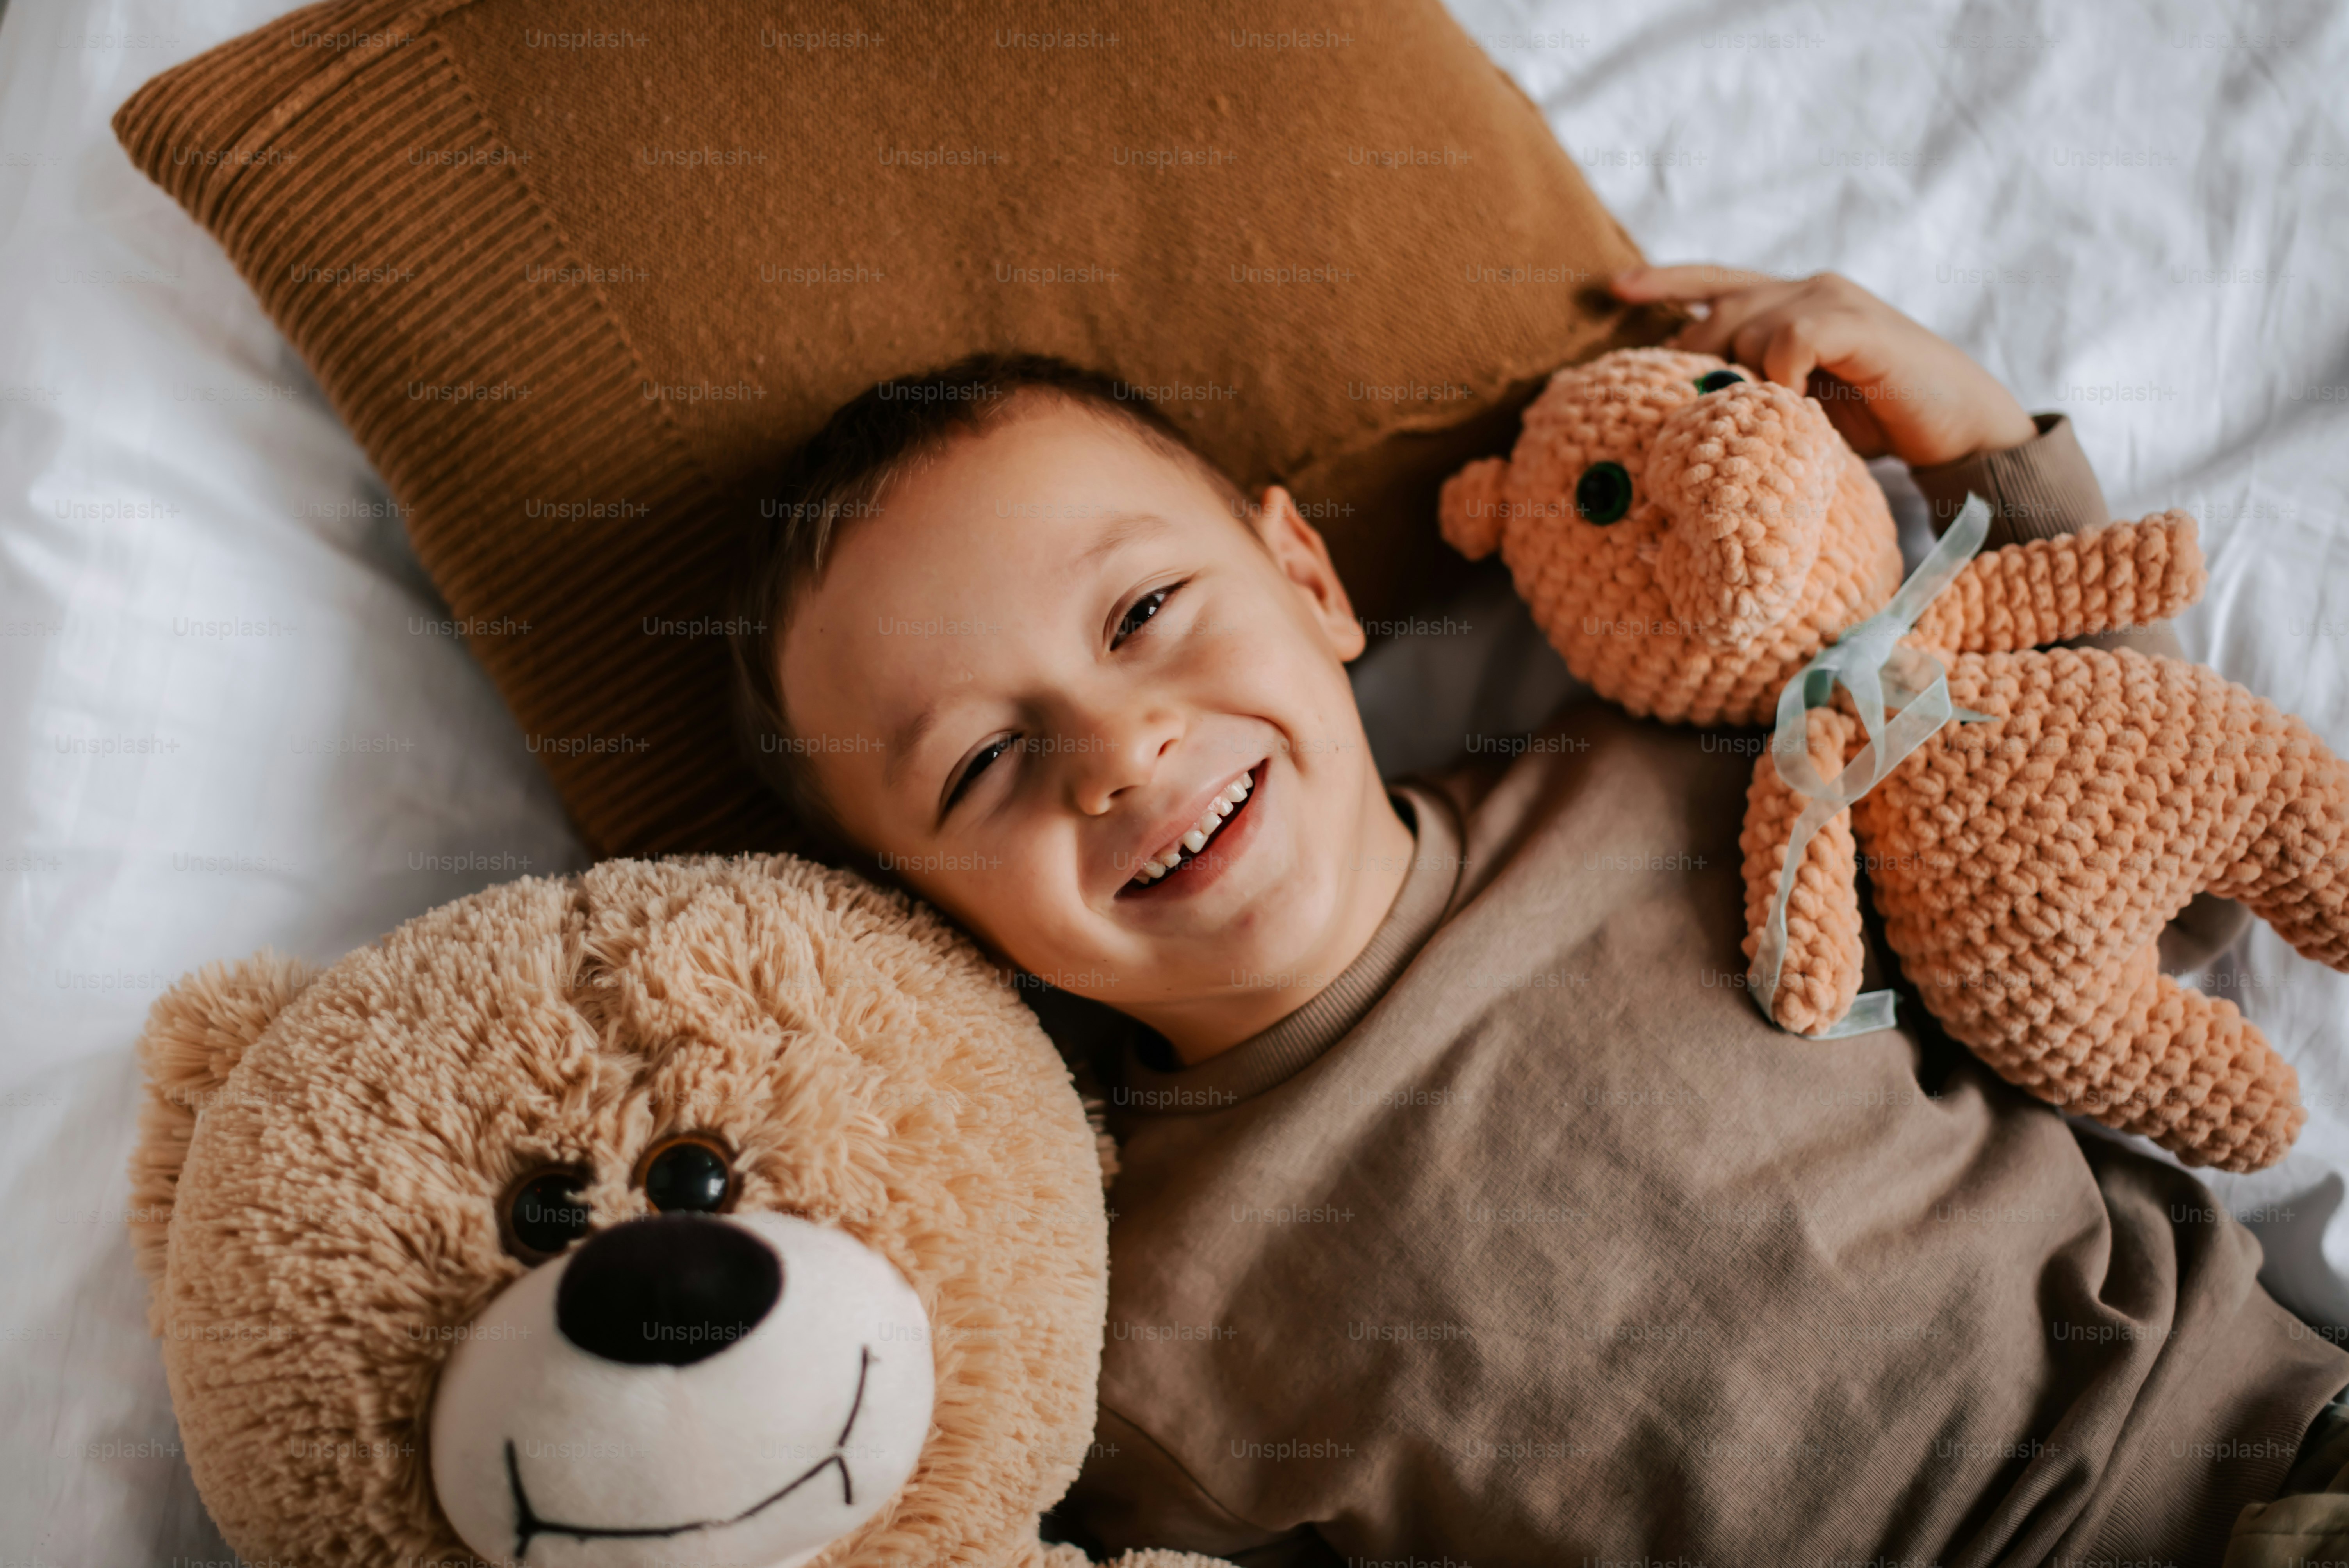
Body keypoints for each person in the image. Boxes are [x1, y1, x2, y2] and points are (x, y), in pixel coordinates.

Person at [728, 267, 2347, 1567]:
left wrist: (1975, 445)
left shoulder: (1666, 781)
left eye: (1145, 612)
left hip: (2249, 1454)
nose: (1121, 748)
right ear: (929, 920)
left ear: (1307, 579)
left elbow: (2111, 849)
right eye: (987, 762)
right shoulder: (1134, 1320)